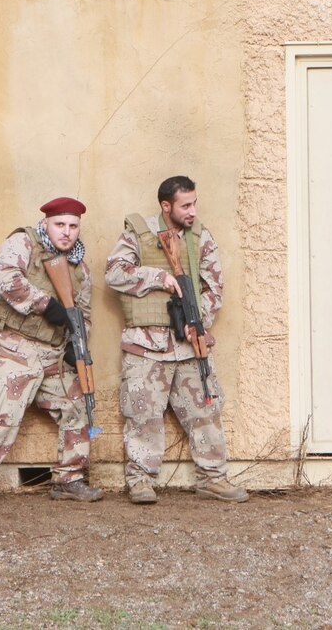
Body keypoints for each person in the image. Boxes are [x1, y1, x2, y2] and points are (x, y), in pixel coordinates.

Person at [105, 175, 248, 504]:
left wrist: (198, 322)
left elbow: (214, 288)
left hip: (189, 347)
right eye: (186, 205)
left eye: (195, 203)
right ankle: (141, 480)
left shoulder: (201, 238)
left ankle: (213, 477)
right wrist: (160, 277)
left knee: (206, 413)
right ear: (165, 206)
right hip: (146, 347)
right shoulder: (138, 234)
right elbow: (114, 272)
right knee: (143, 416)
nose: (193, 211)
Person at [0, 197, 103, 511]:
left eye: (73, 226)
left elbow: (85, 313)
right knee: (1, 414)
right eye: (60, 224)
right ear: (46, 223)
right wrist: (46, 305)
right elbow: (6, 278)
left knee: (79, 405)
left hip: (52, 351)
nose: (66, 232)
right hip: (12, 345)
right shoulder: (23, 242)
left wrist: (78, 343)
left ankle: (69, 479)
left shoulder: (80, 267)